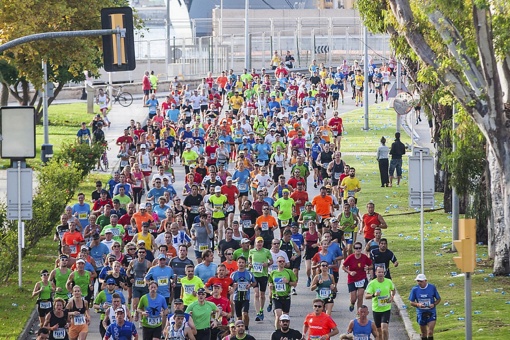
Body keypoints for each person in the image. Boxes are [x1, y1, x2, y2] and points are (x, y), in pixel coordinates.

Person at [365, 266, 396, 340]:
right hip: (376, 309)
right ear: (376, 273)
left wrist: (392, 297)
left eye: (382, 272)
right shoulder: (372, 283)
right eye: (379, 272)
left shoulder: (388, 281)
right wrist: (374, 295)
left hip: (386, 308)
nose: (381, 274)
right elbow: (366, 296)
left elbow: (393, 289)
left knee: (384, 329)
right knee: (379, 332)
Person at [268, 255, 298, 330]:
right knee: (278, 316)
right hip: (276, 296)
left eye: (283, 261)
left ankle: (285, 332)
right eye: (280, 261)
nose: (281, 263)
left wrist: (288, 282)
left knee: (285, 318)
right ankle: (277, 332)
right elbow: (270, 282)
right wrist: (270, 285)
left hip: (286, 297)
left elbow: (295, 284)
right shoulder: (273, 272)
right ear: (277, 263)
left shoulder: (289, 272)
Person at [341, 241, 372, 313]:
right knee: (353, 298)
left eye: (359, 248)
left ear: (361, 249)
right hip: (352, 279)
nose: (358, 250)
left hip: (362, 278)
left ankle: (359, 313)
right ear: (354, 249)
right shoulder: (350, 257)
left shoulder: (364, 257)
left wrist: (367, 268)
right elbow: (343, 267)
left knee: (360, 296)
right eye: (356, 248)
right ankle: (352, 303)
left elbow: (371, 265)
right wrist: (350, 272)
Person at [409, 274, 441, 340]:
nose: (419, 283)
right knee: (423, 333)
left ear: (425, 281)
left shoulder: (432, 287)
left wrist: (434, 304)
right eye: (418, 281)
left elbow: (438, 299)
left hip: (431, 312)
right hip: (421, 313)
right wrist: (418, 305)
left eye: (421, 281)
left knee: (430, 332)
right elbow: (411, 302)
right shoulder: (415, 289)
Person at [249, 236, 273, 321]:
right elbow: (249, 259)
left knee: (262, 295)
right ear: (255, 243)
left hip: (263, 275)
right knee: (256, 294)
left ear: (263, 243)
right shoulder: (251, 251)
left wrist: (267, 264)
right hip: (255, 275)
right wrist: (250, 264)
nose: (259, 244)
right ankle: (258, 313)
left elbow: (271, 261)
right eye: (258, 242)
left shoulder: (266, 251)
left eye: (261, 242)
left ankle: (261, 310)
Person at [230, 256, 257, 330]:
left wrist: (250, 285)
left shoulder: (249, 273)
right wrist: (233, 286)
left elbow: (254, 283)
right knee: (239, 317)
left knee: (245, 314)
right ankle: (240, 329)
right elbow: (230, 284)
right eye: (239, 262)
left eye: (243, 262)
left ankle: (246, 327)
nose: (241, 264)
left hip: (246, 297)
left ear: (245, 264)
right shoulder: (233, 274)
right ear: (237, 264)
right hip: (236, 297)